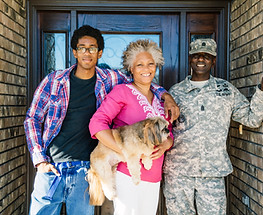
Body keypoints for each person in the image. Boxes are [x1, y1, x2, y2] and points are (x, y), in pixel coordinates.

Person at [24, 25, 179, 215]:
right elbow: (32, 118)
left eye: (92, 48)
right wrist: (40, 161)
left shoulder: (110, 78)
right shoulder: (54, 81)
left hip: (85, 168)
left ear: (100, 53)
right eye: (82, 47)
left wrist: (166, 96)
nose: (87, 52)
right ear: (74, 52)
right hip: (52, 167)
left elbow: (143, 80)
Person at [163, 38, 263, 215]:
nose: (201, 59)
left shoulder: (226, 90)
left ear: (214, 60)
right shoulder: (175, 92)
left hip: (212, 173)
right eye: (196, 56)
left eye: (207, 56)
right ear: (190, 59)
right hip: (178, 172)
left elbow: (252, 119)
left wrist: (261, 90)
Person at [89, 39, 174, 215]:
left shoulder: (161, 99)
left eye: (151, 64)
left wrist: (167, 144)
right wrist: (124, 151)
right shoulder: (122, 91)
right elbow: (97, 124)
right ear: (131, 68)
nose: (146, 69)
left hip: (154, 173)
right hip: (127, 173)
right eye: (140, 65)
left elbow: (169, 133)